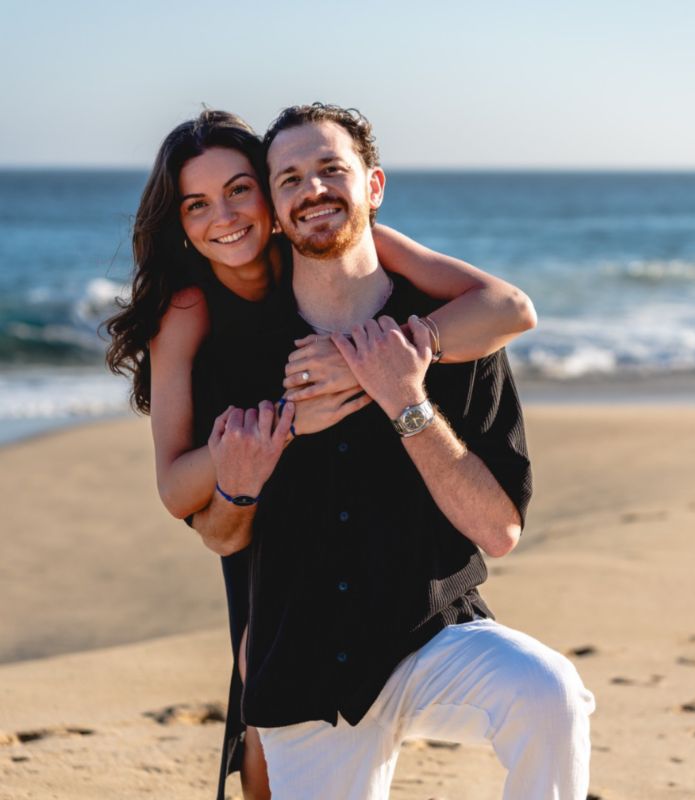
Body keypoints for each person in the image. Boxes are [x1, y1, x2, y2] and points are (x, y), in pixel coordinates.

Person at [105, 109, 538, 800]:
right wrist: (285, 423)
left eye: (239, 190)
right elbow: (177, 487)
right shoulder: (188, 309)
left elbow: (508, 307)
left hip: (335, 522)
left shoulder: (331, 244)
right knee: (264, 744)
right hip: (263, 523)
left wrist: (379, 359)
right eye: (197, 204)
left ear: (269, 199)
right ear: (179, 221)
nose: (225, 216)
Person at [193, 103, 595, 800]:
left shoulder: (458, 334)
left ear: (373, 186)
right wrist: (240, 485)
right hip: (304, 669)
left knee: (549, 693)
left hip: (434, 637)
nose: (313, 190)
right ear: (275, 211)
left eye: (331, 169)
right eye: (289, 179)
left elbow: (498, 531)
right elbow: (220, 534)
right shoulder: (239, 354)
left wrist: (405, 399)